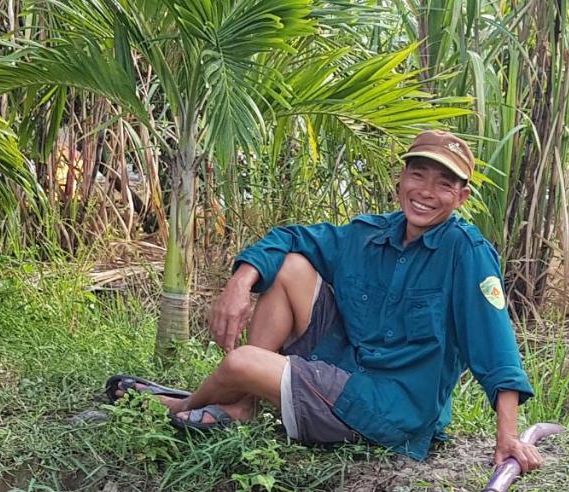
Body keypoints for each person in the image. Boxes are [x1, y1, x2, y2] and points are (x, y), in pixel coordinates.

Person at [114, 130, 543, 471]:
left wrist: (507, 435)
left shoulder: (464, 251)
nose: (426, 191)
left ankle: (180, 405)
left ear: (461, 197)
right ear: (400, 181)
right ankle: (242, 403)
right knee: (291, 265)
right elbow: (292, 237)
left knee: (242, 362)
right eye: (418, 175)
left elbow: (496, 345)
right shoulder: (369, 234)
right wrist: (240, 283)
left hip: (392, 410)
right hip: (342, 369)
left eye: (444, 183)